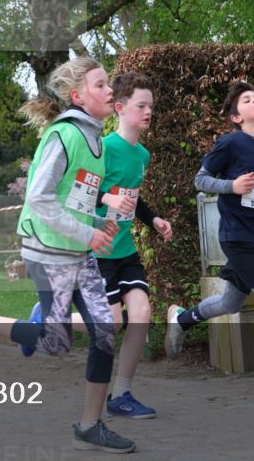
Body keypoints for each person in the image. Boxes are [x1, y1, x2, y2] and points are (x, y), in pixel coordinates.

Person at [0, 57, 134, 453]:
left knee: (105, 331)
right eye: (101, 85)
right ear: (78, 95)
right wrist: (88, 232)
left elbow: (74, 198)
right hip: (47, 252)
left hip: (77, 251)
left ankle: (90, 425)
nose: (110, 91)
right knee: (56, 342)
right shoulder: (62, 135)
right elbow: (41, 199)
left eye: (109, 84)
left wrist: (98, 226)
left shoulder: (96, 140)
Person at [165, 81, 254, 401]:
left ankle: (182, 319)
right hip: (235, 236)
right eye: (247, 100)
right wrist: (232, 186)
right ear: (236, 116)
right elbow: (200, 179)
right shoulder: (230, 143)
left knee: (231, 302)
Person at [62, 73, 173, 420]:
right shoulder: (104, 148)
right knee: (110, 324)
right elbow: (77, 192)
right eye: (141, 105)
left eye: (151, 106)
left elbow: (132, 198)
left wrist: (152, 219)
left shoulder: (143, 154)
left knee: (141, 314)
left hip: (124, 250)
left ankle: (122, 393)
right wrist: (106, 196)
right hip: (98, 251)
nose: (148, 111)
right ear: (121, 108)